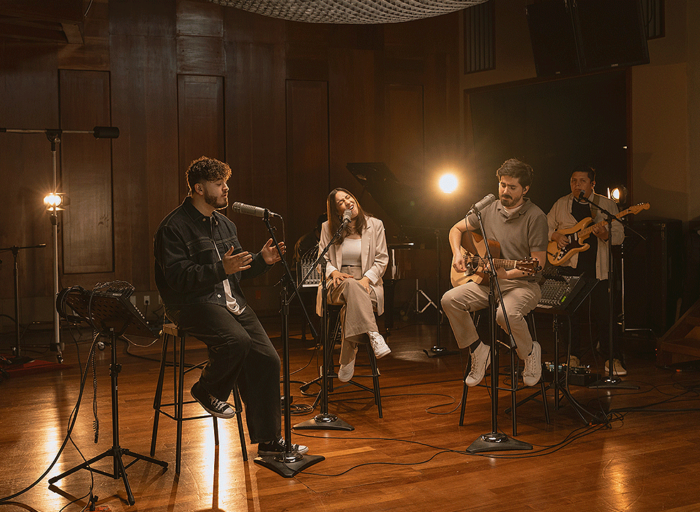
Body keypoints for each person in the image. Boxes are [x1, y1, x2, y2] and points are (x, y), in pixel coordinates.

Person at [154, 156, 307, 457]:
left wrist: (262, 260)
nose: (226, 189)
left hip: (229, 302)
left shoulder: (225, 224)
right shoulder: (173, 227)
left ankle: (268, 440)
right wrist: (220, 269)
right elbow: (177, 279)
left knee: (268, 359)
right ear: (198, 188)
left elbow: (234, 269)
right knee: (236, 340)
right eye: (219, 184)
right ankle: (207, 388)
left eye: (226, 183)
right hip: (191, 302)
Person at [441, 158, 549, 387]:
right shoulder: (488, 209)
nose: (505, 191)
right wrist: (456, 254)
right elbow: (455, 229)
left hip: (523, 284)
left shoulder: (535, 216)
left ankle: (529, 353)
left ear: (525, 189)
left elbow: (538, 263)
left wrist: (507, 275)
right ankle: (478, 351)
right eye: (502, 185)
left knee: (505, 315)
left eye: (512, 187)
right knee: (449, 300)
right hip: (488, 283)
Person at [547, 165, 626, 375]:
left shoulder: (606, 205)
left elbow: (619, 235)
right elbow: (543, 227)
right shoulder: (561, 204)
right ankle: (572, 355)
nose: (576, 185)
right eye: (573, 180)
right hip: (569, 267)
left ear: (592, 184)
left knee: (605, 314)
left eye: (582, 181)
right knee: (568, 314)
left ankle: (612, 357)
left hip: (599, 269)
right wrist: (555, 236)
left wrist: (604, 234)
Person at [316, 188, 390, 382]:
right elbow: (321, 261)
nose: (347, 202)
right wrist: (334, 272)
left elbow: (382, 259)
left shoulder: (375, 225)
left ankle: (347, 359)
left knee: (351, 303)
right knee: (350, 286)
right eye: (341, 202)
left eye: (348, 197)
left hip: (369, 283)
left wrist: (366, 279)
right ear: (336, 211)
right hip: (338, 282)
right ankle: (373, 333)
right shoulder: (328, 228)